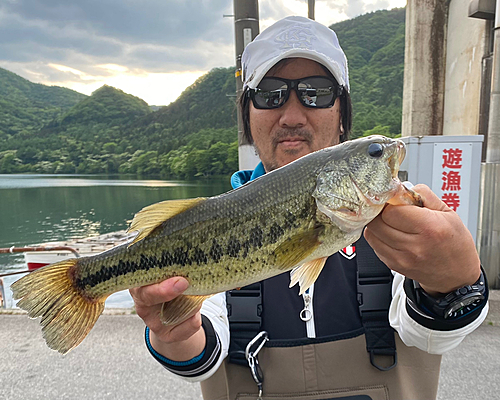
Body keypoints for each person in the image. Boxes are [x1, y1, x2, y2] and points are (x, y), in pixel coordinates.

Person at [130, 16, 488, 400]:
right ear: (248, 118)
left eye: (316, 92)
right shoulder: (212, 224)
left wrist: (456, 283)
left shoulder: (404, 223)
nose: (293, 115)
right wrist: (175, 336)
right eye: (270, 95)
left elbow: (432, 336)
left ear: (342, 117)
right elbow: (204, 348)